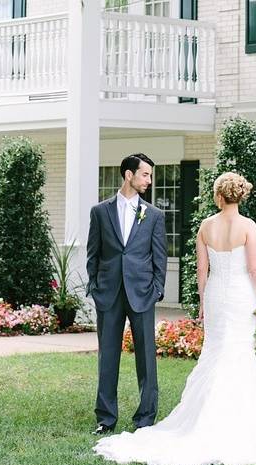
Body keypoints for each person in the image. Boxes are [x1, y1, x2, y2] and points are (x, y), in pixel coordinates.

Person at [93, 171, 256, 465]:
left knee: (216, 353)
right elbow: (255, 270)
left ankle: (206, 420)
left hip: (216, 296)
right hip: (240, 296)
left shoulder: (205, 226)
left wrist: (202, 302)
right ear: (239, 195)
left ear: (218, 196)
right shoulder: (248, 226)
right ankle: (240, 422)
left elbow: (201, 271)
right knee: (239, 354)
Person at [85, 153, 167, 435]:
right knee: (107, 356)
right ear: (128, 175)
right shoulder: (100, 211)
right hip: (108, 293)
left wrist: (157, 288)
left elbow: (160, 256)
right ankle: (105, 418)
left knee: (146, 357)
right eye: (145, 174)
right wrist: (94, 286)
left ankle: (145, 418)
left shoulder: (154, 215)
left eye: (150, 175)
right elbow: (92, 254)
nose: (149, 180)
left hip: (143, 292)